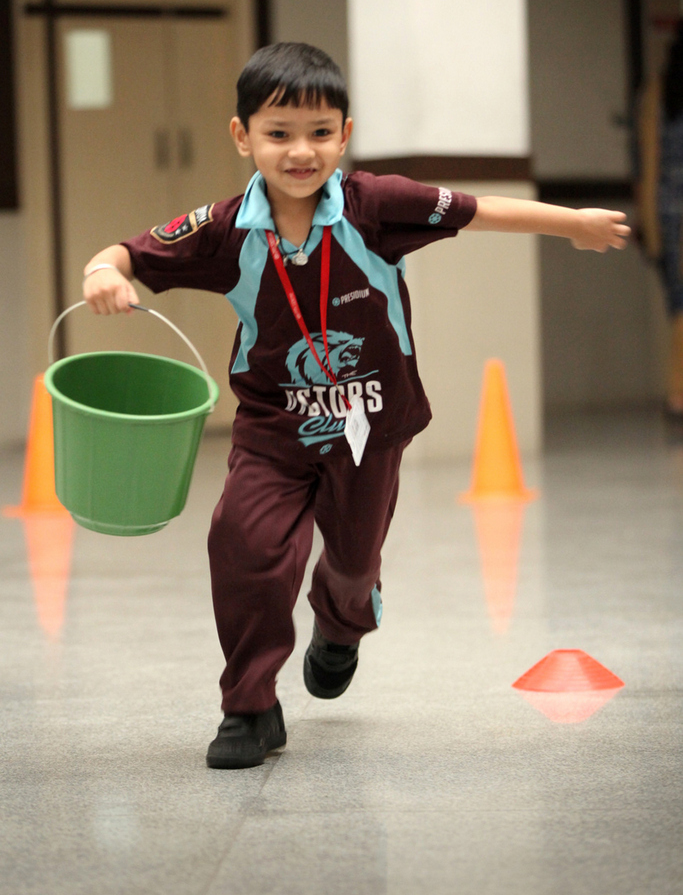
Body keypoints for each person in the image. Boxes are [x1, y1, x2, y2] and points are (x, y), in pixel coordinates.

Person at [83, 42, 630, 769]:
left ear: (344, 134)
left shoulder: (375, 206)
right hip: (272, 428)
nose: (299, 151)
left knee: (350, 559)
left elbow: (479, 210)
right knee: (242, 547)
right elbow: (126, 253)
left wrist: (573, 224)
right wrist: (101, 272)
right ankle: (249, 706)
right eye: (277, 134)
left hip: (368, 431)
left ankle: (343, 622)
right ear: (242, 136)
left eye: (318, 132)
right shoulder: (223, 229)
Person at [636, 22, 683, 415]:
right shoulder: (658, 93)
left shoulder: (658, 92)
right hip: (671, 211)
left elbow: (649, 164)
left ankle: (677, 393)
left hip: (668, 210)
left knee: (678, 305)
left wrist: (651, 228)